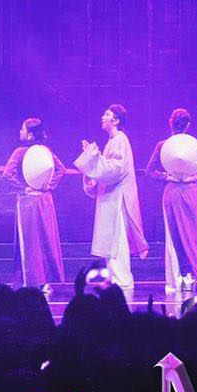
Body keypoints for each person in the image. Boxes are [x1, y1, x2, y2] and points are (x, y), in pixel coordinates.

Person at [75, 104, 147, 299]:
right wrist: (93, 159)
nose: (103, 117)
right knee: (111, 242)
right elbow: (104, 168)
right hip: (109, 198)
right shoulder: (111, 142)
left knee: (117, 241)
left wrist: (93, 157)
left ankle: (122, 281)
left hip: (117, 199)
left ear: (116, 120)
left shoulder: (120, 139)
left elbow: (114, 169)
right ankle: (116, 280)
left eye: (107, 115)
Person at [144, 108, 197, 295]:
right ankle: (191, 275)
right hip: (189, 190)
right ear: (188, 125)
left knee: (176, 234)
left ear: (170, 123)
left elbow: (150, 171)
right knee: (192, 233)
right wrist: (195, 177)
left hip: (175, 190)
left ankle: (182, 274)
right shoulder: (192, 144)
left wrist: (167, 176)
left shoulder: (167, 145)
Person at [2, 118, 67, 295]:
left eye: (22, 129)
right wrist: (47, 186)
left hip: (28, 202)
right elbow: (61, 170)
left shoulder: (20, 152)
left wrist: (24, 188)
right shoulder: (46, 152)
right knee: (45, 239)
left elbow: (7, 174)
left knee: (30, 242)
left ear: (30, 134)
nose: (20, 132)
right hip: (44, 200)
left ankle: (30, 281)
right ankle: (45, 282)